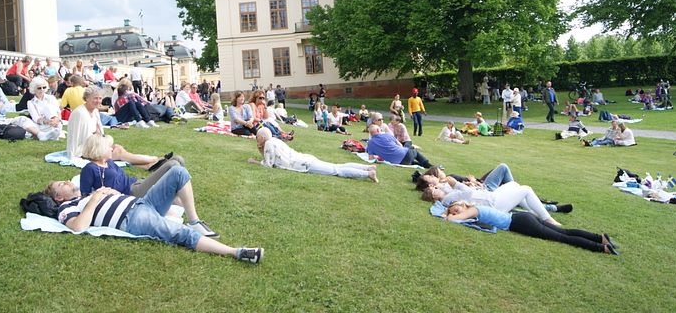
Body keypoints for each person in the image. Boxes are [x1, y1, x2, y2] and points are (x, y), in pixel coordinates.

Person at [45, 166, 263, 264]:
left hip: (142, 203)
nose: (66, 182)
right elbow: (78, 227)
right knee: (180, 233)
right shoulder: (66, 209)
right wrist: (95, 199)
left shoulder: (87, 195)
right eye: (60, 185)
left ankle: (195, 220)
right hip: (132, 219)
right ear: (58, 198)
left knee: (177, 172)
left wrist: (108, 193)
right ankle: (237, 252)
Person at [442, 202, 618, 254]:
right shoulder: (476, 208)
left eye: (455, 208)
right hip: (521, 218)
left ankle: (602, 248)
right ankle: (600, 238)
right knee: (564, 232)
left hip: (520, 223)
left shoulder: (473, 210)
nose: (454, 211)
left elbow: (452, 220)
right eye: (453, 210)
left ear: (462, 206)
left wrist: (447, 215)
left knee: (562, 237)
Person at [66, 85, 157, 167]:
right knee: (119, 152)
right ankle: (155, 160)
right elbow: (74, 138)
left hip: (96, 144)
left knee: (118, 148)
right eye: (95, 98)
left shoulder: (95, 111)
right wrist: (73, 155)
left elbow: (100, 133)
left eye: (100, 98)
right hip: (85, 150)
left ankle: (150, 164)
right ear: (87, 98)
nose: (98, 101)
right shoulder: (79, 113)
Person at [249, 127, 378, 182]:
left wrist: (254, 162)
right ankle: (366, 168)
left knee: (336, 170)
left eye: (258, 137)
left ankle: (367, 173)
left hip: (305, 165)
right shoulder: (274, 140)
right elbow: (270, 159)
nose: (257, 139)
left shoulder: (268, 144)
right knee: (337, 166)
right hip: (306, 159)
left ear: (262, 137)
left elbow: (268, 164)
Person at [421, 178, 562, 227]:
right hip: (493, 204)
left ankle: (533, 212)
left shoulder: (448, 193)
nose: (436, 188)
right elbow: (465, 192)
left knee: (514, 184)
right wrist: (456, 183)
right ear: (434, 198)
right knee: (526, 189)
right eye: (434, 191)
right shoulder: (447, 199)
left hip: (490, 196)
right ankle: (548, 219)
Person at [0, 68, 50, 139]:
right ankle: (34, 134)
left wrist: (1, 106)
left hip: (2, 120)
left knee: (23, 119)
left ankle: (41, 135)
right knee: (17, 132)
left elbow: (6, 104)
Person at [366, 124, 431, 168]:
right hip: (405, 154)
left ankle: (427, 166)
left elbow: (370, 158)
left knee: (411, 162)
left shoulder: (370, 143)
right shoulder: (387, 135)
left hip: (399, 162)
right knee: (415, 152)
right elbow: (400, 145)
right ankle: (428, 165)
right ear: (378, 130)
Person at [26, 76, 63, 141]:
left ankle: (54, 131)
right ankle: (48, 134)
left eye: (44, 87)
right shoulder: (31, 103)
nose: (42, 89)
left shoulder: (51, 98)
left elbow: (58, 112)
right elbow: (36, 118)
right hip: (41, 125)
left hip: (55, 123)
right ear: (34, 89)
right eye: (39, 88)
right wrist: (47, 122)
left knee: (48, 107)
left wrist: (56, 120)